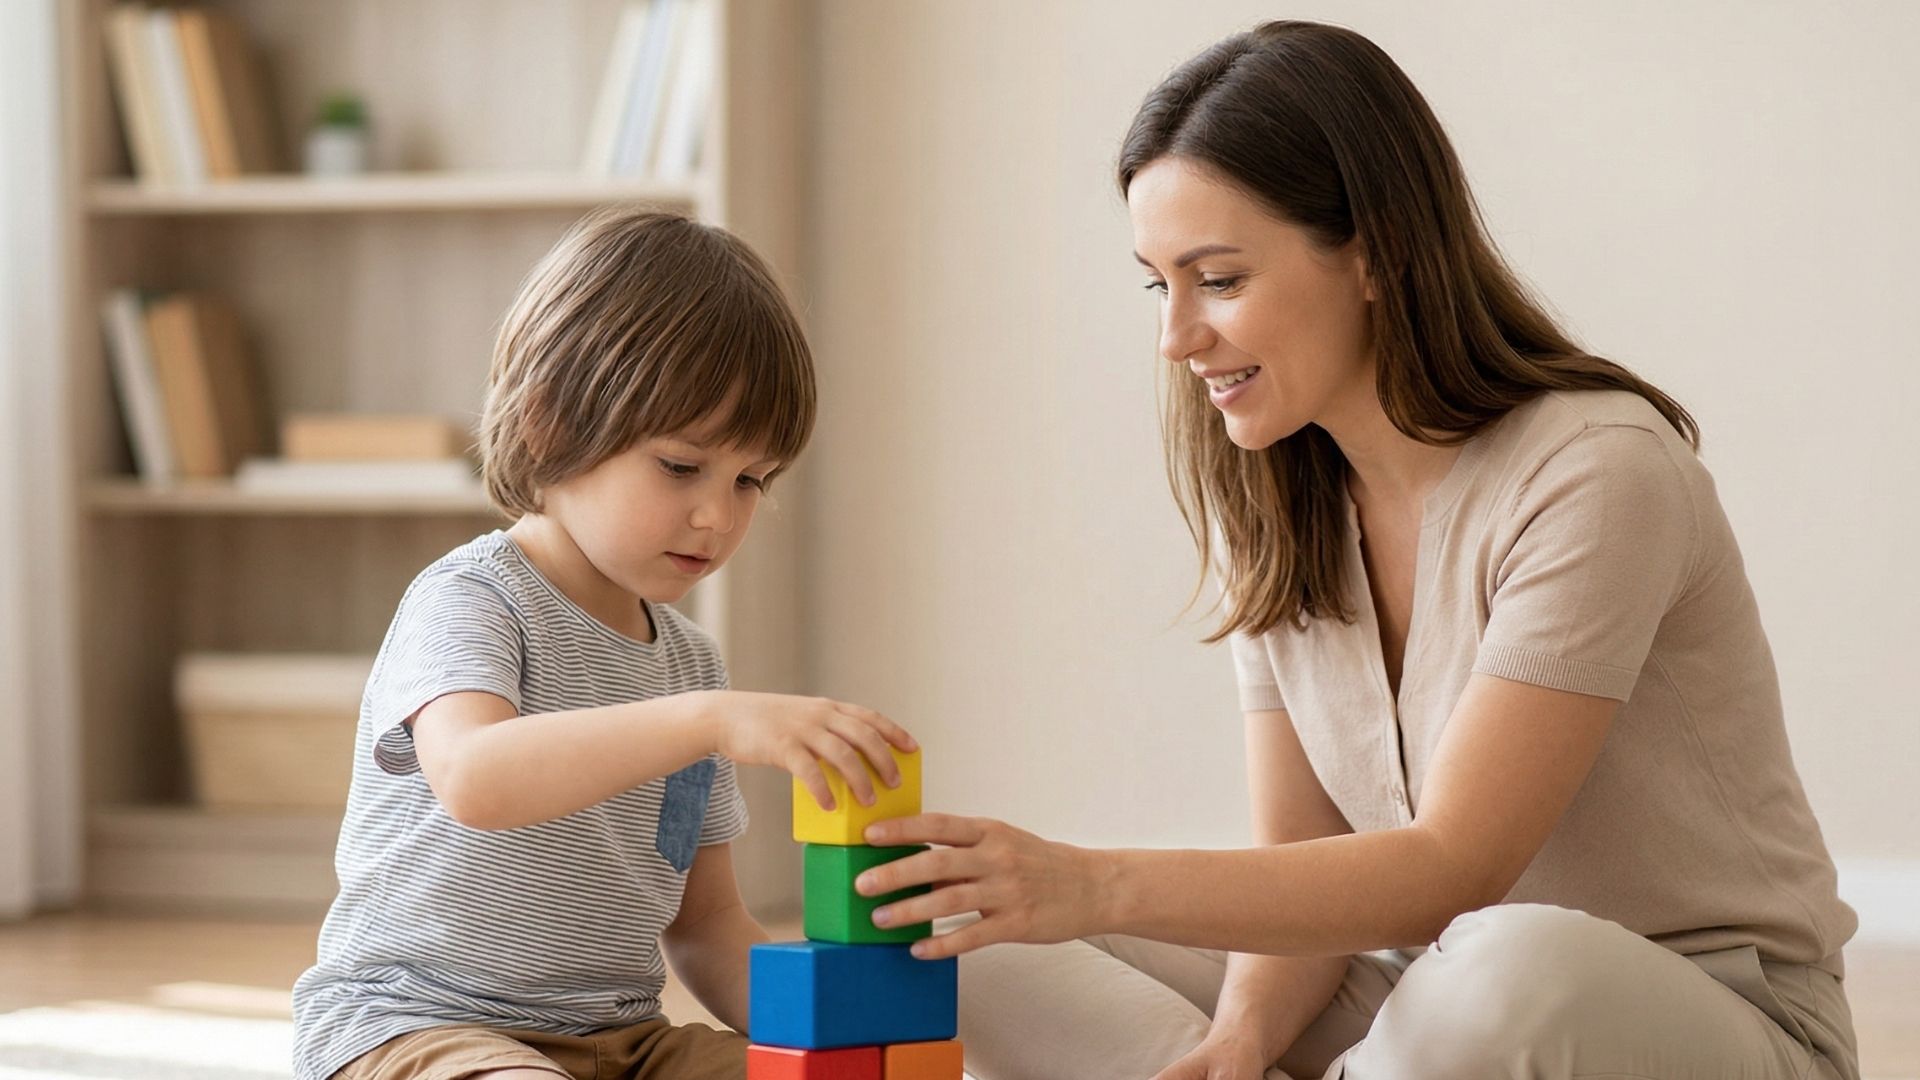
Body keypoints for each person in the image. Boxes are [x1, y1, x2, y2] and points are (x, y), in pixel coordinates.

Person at [853, 21, 1859, 1080]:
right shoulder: (1285, 498)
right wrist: (1237, 1045)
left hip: (1691, 1019)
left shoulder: (1597, 472)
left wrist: (1095, 881)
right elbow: (1304, 866)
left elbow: (1452, 871)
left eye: (1221, 279)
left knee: (1507, 965)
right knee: (967, 945)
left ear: (1374, 255)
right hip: (1426, 1005)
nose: (1176, 336)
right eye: (1160, 284)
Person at [291, 208, 918, 1080]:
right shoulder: (471, 600)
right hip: (415, 1027)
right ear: (551, 423)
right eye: (680, 466)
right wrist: (706, 721)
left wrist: (841, 1034)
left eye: (750, 482)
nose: (718, 515)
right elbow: (477, 776)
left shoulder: (691, 664)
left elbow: (704, 927)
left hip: (624, 1040)